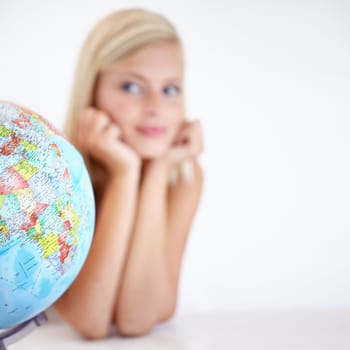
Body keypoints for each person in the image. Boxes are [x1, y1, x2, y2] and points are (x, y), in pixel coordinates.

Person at [53, 8, 204, 339]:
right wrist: (123, 177)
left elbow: (139, 318)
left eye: (170, 89)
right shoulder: (57, 176)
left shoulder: (184, 178)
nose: (155, 107)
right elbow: (90, 321)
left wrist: (156, 171)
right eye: (133, 87)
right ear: (92, 91)